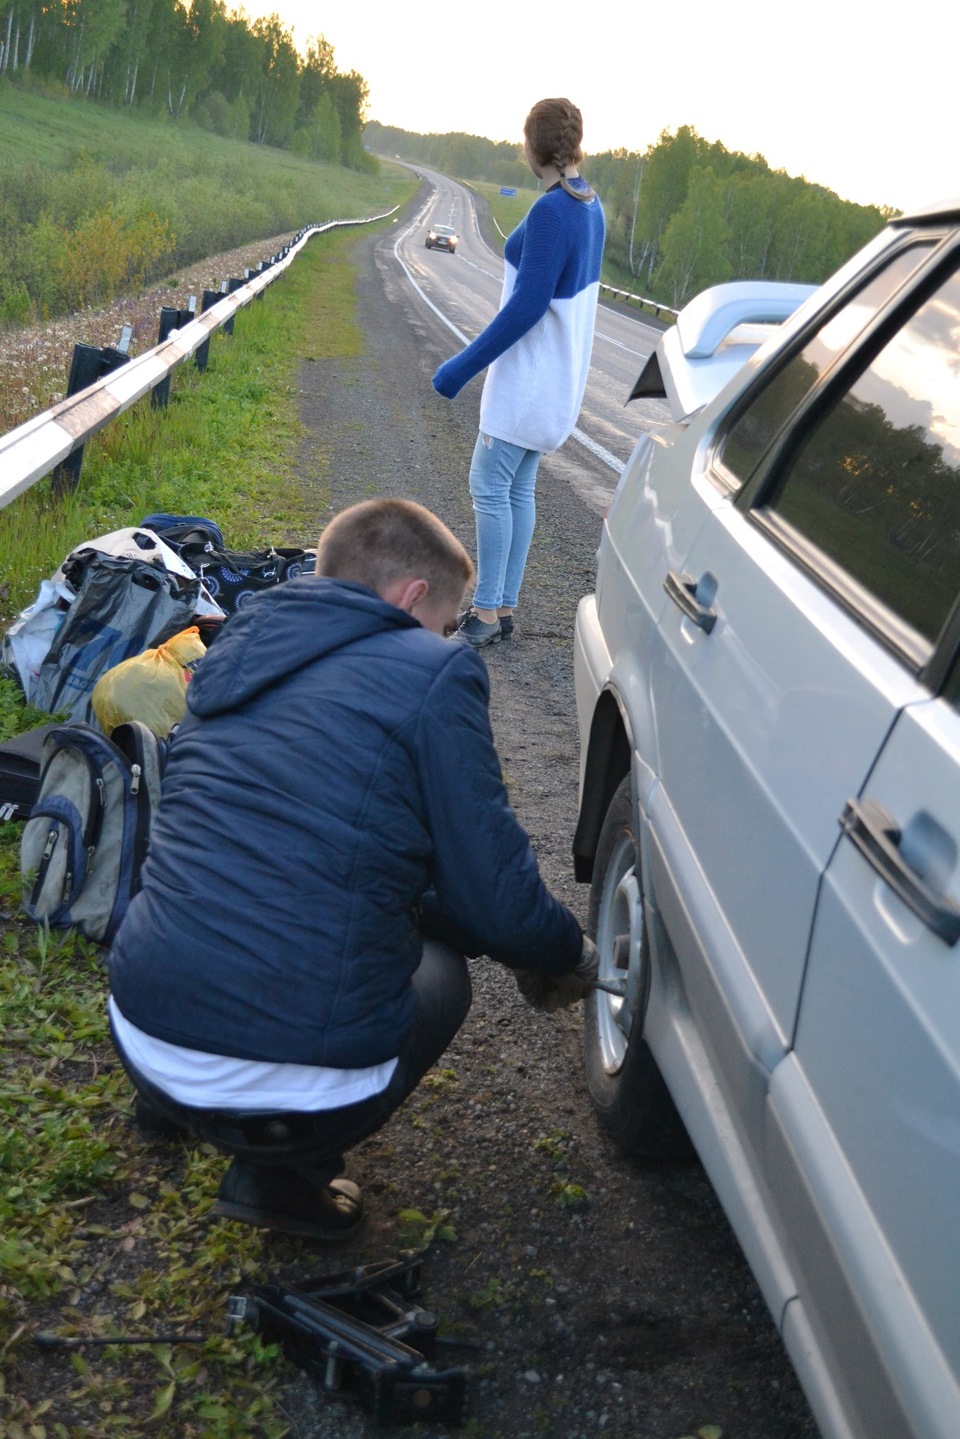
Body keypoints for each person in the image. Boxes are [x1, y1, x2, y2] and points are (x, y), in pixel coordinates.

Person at [107, 498, 597, 1242]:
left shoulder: (236, 646)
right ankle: (281, 1177)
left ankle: (172, 1108)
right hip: (290, 1080)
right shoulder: (433, 670)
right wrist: (569, 954)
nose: (448, 636)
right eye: (449, 618)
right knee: (443, 971)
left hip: (142, 1030)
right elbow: (491, 893)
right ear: (413, 598)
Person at [432, 97, 605, 647]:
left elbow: (526, 309)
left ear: (536, 148)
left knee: (489, 483)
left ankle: (484, 613)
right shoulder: (589, 204)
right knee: (518, 488)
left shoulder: (553, 212)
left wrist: (461, 367)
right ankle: (503, 607)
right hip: (557, 382)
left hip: (528, 382)